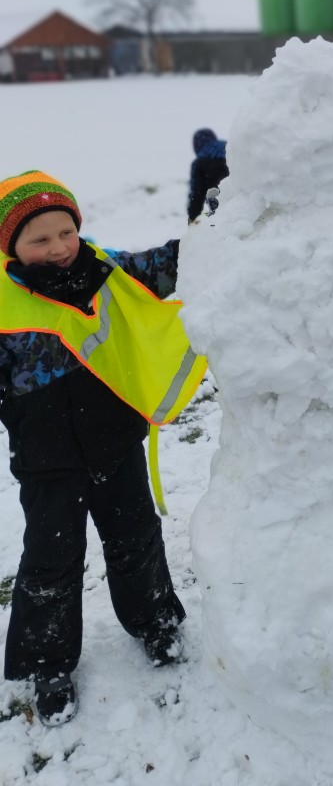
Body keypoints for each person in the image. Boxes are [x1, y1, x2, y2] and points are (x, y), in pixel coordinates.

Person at [0, 171, 205, 727]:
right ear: (11, 246)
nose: (58, 247)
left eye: (66, 232)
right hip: (47, 463)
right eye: (40, 239)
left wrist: (214, 222)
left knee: (136, 537)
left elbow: (169, 265)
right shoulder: (2, 307)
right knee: (52, 561)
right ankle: (48, 663)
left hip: (114, 443)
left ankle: (155, 621)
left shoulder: (106, 271)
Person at [187, 127, 228, 223]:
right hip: (243, 200)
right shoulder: (231, 149)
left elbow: (197, 195)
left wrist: (192, 220)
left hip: (219, 205)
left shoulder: (199, 163)